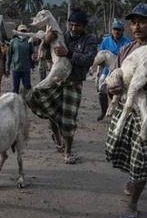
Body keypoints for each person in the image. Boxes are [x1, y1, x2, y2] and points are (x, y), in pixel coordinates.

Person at [105, 3, 147, 218]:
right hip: (125, 108)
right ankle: (133, 180)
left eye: (143, 21)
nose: (137, 26)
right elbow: (118, 76)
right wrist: (112, 88)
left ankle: (131, 203)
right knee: (124, 152)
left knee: (142, 156)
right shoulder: (126, 49)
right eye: (133, 22)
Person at [26, 9, 97, 164]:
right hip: (56, 81)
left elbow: (89, 59)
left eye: (77, 26)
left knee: (69, 119)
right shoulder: (61, 35)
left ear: (84, 26)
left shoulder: (90, 39)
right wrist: (45, 42)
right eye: (71, 25)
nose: (73, 28)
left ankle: (68, 152)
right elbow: (47, 55)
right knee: (44, 106)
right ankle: (57, 137)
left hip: (74, 83)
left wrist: (68, 53)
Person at [96, 19, 131, 121]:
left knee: (118, 89)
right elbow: (101, 55)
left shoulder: (127, 42)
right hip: (107, 70)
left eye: (119, 30)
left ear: (122, 31)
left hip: (121, 70)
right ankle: (103, 110)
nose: (117, 31)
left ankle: (118, 109)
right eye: (115, 29)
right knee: (101, 86)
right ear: (112, 30)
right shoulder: (106, 41)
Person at [7, 24, 35, 94]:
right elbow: (9, 55)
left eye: (24, 31)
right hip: (15, 68)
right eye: (21, 31)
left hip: (26, 68)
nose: (22, 32)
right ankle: (15, 103)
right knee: (15, 89)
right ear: (18, 31)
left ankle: (26, 103)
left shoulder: (29, 41)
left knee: (27, 88)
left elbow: (31, 54)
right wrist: (7, 67)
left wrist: (32, 66)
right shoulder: (13, 41)